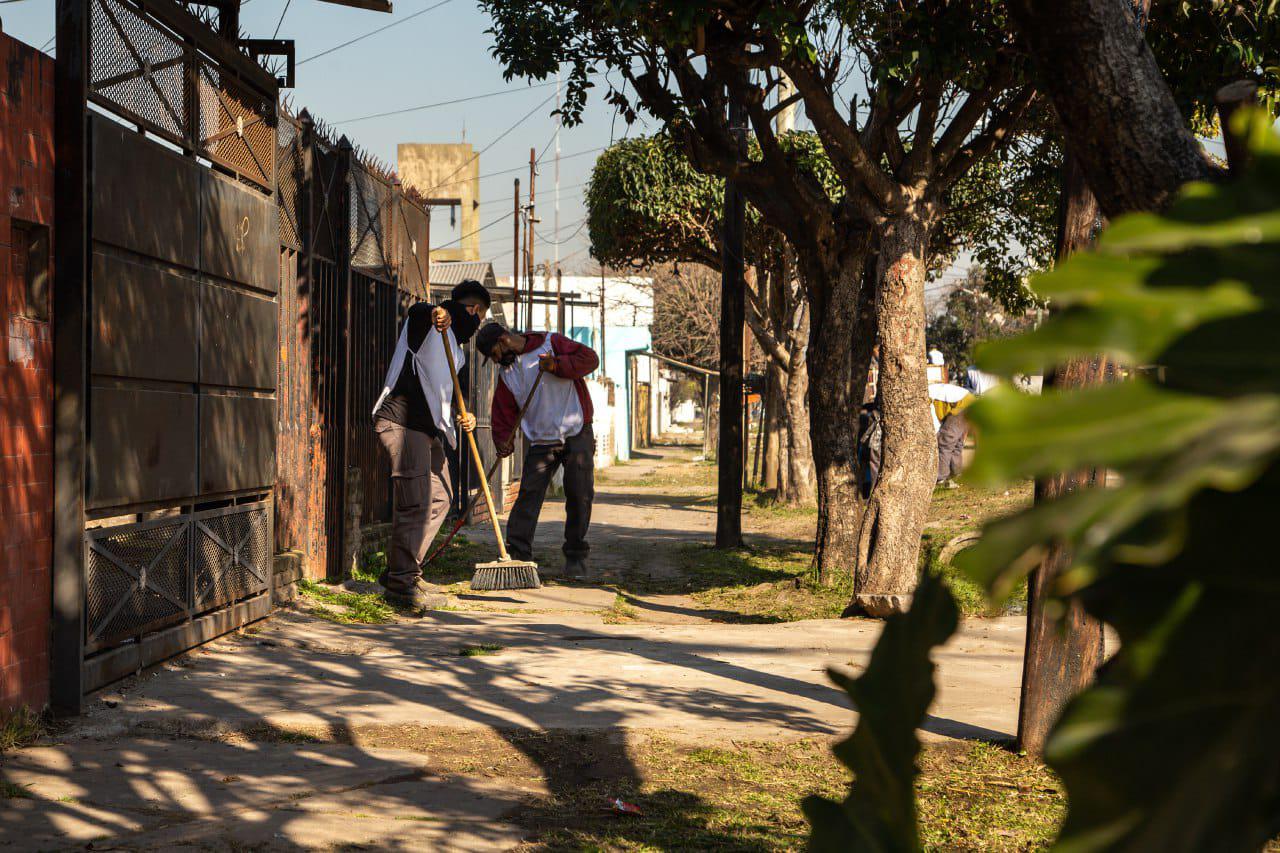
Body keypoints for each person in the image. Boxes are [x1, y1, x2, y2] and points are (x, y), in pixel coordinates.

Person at [371, 280, 490, 610]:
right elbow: (417, 312)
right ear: (473, 310)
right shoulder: (431, 326)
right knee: (417, 502)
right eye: (477, 315)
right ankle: (400, 581)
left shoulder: (455, 348)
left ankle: (406, 570)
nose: (476, 323)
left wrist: (462, 415)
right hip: (402, 422)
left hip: (427, 431)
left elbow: (451, 395)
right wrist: (436, 312)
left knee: (441, 497)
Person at [475, 322, 599, 577]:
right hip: (541, 440)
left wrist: (557, 365)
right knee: (527, 497)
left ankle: (575, 555)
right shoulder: (508, 374)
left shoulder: (550, 343)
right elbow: (503, 411)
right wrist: (503, 441)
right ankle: (518, 556)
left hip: (576, 430)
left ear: (504, 340)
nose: (497, 361)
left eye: (495, 354)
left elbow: (590, 359)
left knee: (580, 494)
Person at [929, 381, 974, 488]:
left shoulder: (922, 396)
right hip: (968, 402)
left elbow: (933, 421)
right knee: (957, 444)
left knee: (945, 443)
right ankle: (956, 473)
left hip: (961, 405)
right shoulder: (929, 390)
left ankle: (941, 478)